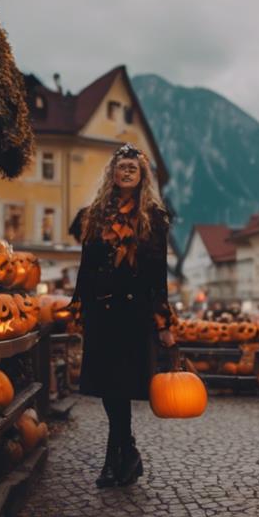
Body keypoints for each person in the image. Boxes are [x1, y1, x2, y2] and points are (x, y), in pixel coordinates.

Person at [71, 144, 176, 488]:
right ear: (113, 173)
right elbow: (86, 268)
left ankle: (115, 458)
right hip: (102, 313)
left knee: (121, 386)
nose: (127, 171)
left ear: (142, 174)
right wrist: (79, 308)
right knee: (108, 387)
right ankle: (125, 453)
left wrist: (164, 322)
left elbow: (158, 273)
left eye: (133, 166)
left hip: (134, 314)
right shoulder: (96, 215)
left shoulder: (154, 217)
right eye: (121, 166)